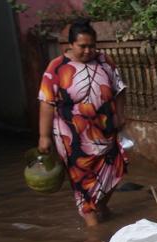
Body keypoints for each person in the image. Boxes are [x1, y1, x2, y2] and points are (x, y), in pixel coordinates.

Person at [37, 18, 128, 227]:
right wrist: (43, 136)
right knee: (82, 182)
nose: (88, 51)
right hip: (72, 137)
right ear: (70, 45)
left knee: (117, 168)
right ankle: (95, 236)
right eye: (82, 46)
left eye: (92, 46)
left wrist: (120, 115)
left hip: (105, 130)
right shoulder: (57, 67)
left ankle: (102, 206)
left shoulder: (104, 61)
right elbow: (46, 103)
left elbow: (120, 89)